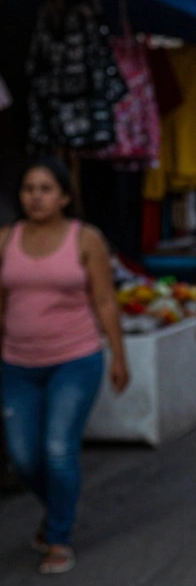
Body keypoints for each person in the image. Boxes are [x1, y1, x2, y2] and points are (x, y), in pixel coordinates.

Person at [0, 158, 129, 575]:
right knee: (23, 458)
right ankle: (58, 508)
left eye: (45, 188)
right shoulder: (5, 239)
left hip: (75, 359)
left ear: (65, 197)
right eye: (28, 189)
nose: (35, 196)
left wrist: (119, 353)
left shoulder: (85, 239)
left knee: (58, 450)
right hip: (18, 364)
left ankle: (59, 536)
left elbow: (105, 300)